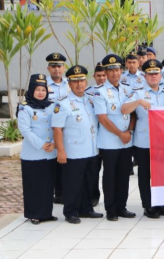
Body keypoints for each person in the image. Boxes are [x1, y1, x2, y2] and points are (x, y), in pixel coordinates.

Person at [122, 59, 164, 219]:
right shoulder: (138, 93)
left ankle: (162, 204)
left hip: (163, 142)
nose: (153, 76)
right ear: (144, 76)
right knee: (145, 175)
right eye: (150, 74)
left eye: (156, 73)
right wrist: (138, 102)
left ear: (161, 75)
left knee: (162, 174)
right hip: (144, 141)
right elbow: (124, 109)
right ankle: (148, 205)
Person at [52, 65, 103, 224]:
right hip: (73, 151)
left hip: (92, 149)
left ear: (86, 81)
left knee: (89, 181)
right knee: (73, 183)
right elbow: (57, 129)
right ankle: (71, 212)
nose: (79, 84)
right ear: (69, 83)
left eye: (81, 80)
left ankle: (86, 209)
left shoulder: (91, 99)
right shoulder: (63, 103)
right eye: (75, 81)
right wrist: (60, 151)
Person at [93, 54, 137, 222]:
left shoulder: (127, 89)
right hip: (110, 141)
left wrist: (129, 131)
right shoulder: (100, 92)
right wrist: (120, 134)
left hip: (126, 140)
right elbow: (103, 118)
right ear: (105, 72)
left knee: (124, 175)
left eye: (117, 69)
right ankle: (111, 209)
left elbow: (133, 114)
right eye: (110, 70)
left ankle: (122, 206)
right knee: (110, 176)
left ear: (121, 70)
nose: (114, 73)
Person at [18, 73, 57, 225]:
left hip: (50, 153)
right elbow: (25, 131)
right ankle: (34, 214)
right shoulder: (25, 108)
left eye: (43, 89)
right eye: (37, 89)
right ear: (31, 90)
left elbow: (57, 126)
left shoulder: (52, 105)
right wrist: (42, 144)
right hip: (33, 154)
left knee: (47, 185)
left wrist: (54, 142)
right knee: (33, 185)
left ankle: (46, 213)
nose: (41, 92)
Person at [46, 52, 69, 205]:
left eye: (59, 66)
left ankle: (64, 192)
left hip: (68, 128)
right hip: (49, 128)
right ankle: (56, 192)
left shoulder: (70, 84)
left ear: (64, 67)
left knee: (65, 160)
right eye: (53, 66)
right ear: (48, 68)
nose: (56, 69)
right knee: (52, 162)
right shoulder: (43, 86)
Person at [86, 63, 106, 206]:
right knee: (93, 169)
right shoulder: (88, 93)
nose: (102, 78)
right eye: (99, 76)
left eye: (104, 75)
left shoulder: (115, 91)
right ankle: (93, 195)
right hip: (94, 136)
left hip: (110, 135)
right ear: (94, 77)